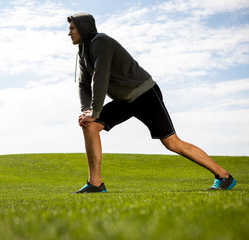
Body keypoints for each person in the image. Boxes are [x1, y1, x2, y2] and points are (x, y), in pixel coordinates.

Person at [67, 13, 236, 193]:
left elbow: (100, 79)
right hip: (124, 100)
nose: (69, 33)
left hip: (144, 94)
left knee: (172, 142)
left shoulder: (101, 42)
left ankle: (223, 176)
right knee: (90, 126)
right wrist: (87, 111)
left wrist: (95, 111)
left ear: (83, 27)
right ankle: (95, 184)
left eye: (72, 28)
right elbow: (83, 85)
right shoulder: (82, 52)